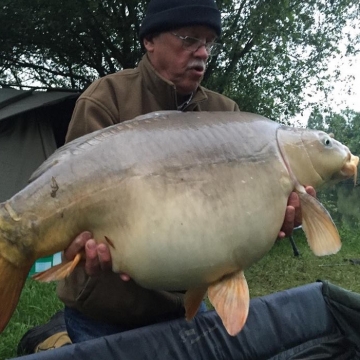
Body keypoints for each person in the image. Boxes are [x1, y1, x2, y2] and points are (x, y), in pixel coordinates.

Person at [17, 0, 315, 354]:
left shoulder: (227, 115)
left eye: (209, 42)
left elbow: (238, 217)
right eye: (189, 39)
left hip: (187, 306)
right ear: (150, 40)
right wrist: (76, 248)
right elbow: (68, 206)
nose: (202, 53)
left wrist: (278, 216)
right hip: (105, 313)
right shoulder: (105, 100)